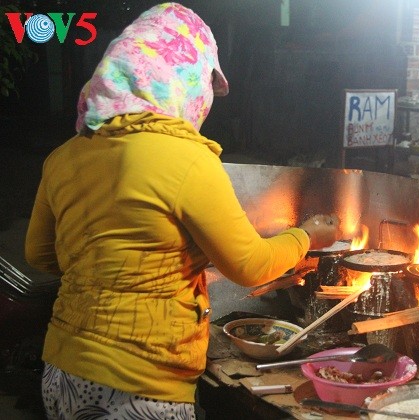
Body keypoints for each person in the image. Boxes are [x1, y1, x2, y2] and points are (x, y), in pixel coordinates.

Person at [24, 3, 340, 419]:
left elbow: (40, 256)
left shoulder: (64, 157)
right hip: (140, 379)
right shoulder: (185, 157)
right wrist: (308, 236)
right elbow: (250, 264)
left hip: (62, 368)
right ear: (182, 80)